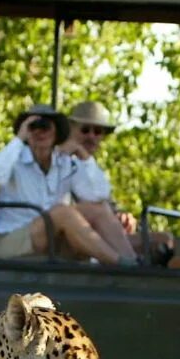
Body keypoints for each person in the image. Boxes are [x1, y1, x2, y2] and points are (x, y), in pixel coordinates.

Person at [0, 103, 137, 265]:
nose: (39, 132)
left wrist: (83, 156)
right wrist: (19, 138)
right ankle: (118, 263)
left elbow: (98, 194)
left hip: (51, 236)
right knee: (62, 213)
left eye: (45, 127)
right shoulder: (14, 158)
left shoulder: (65, 162)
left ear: (56, 133)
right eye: (33, 127)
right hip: (13, 238)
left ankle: (134, 263)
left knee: (98, 208)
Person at [60, 100, 141, 254]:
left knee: (164, 241)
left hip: (97, 235)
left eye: (97, 132)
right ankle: (132, 268)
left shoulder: (90, 165)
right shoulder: (60, 159)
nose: (91, 136)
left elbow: (105, 202)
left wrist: (122, 217)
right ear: (70, 129)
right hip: (72, 236)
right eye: (85, 130)